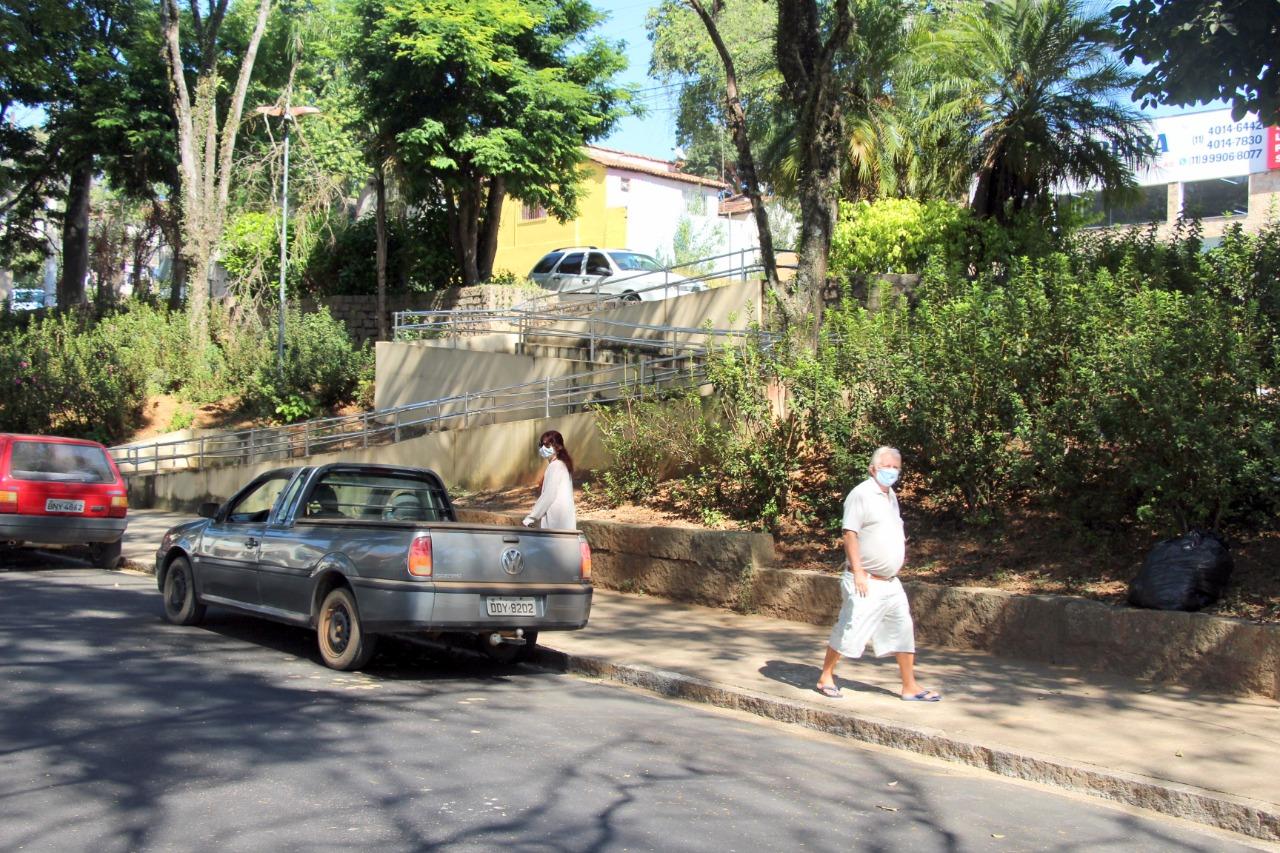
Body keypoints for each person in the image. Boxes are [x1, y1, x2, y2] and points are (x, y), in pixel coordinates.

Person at [815, 446, 941, 702]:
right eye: (887, 466)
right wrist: (859, 572)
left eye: (896, 467)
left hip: (890, 582)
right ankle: (826, 676)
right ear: (873, 469)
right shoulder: (861, 494)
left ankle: (910, 686)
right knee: (851, 630)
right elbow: (850, 533)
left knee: (902, 629)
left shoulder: (890, 495)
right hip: (866, 579)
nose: (892, 471)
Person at [523, 429, 577, 530]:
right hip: (564, 524)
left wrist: (531, 518)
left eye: (547, 445)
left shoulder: (556, 466)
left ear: (559, 447)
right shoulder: (562, 464)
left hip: (555, 523)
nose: (543, 448)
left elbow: (548, 495)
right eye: (541, 445)